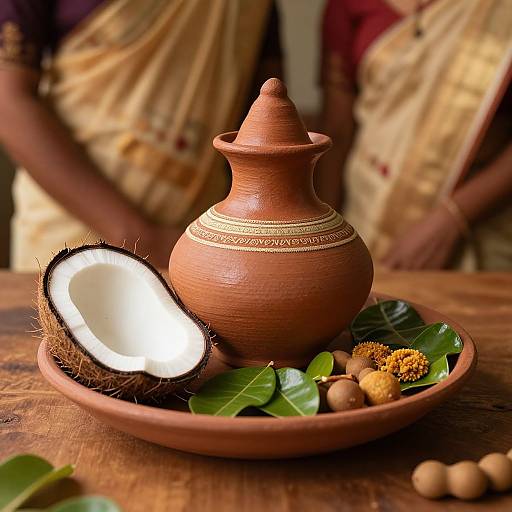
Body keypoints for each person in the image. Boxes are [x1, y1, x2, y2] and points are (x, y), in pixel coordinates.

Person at [0, 0, 281, 271]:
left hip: (201, 245)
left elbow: (270, 116)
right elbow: (8, 102)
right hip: (68, 237)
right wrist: (139, 236)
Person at [316, 0, 512, 270]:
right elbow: (337, 130)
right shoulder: (349, 5)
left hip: (483, 230)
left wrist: (455, 217)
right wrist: (322, 234)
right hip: (366, 215)